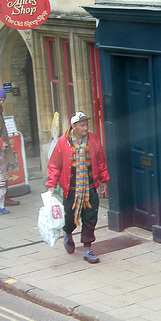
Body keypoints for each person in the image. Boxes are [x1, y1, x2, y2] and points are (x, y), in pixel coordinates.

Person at [45, 112, 110, 264]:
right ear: (73, 127)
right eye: (82, 125)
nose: (85, 128)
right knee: (70, 218)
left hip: (89, 187)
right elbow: (54, 165)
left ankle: (88, 249)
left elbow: (100, 161)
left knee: (90, 217)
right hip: (71, 188)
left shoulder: (93, 140)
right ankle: (67, 233)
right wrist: (51, 186)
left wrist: (104, 180)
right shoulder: (62, 143)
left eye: (86, 124)